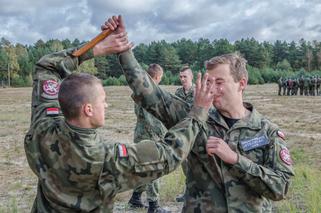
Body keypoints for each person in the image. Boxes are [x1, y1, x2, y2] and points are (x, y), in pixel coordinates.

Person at [24, 19, 216, 212]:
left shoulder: (43, 127)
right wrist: (198, 112)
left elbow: (47, 67)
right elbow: (169, 154)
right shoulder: (105, 159)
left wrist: (97, 48)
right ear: (88, 109)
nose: (106, 105)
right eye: (103, 100)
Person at [106, 15, 295, 212]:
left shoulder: (267, 132)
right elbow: (150, 94)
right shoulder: (196, 119)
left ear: (242, 84)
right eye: (209, 81)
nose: (211, 88)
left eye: (219, 82)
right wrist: (124, 50)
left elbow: (281, 187)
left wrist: (236, 160)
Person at [128, 64, 169, 213]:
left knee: (143, 169)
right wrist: (165, 134)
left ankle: (135, 198)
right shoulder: (149, 93)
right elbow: (153, 120)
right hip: (150, 136)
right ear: (158, 76)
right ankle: (154, 206)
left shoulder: (139, 89)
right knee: (154, 169)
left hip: (140, 135)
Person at [174, 65, 195, 202]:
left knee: (198, 165)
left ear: (191, 77)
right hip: (182, 134)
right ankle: (188, 192)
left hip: (196, 133)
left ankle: (198, 194)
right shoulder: (178, 93)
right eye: (180, 77)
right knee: (184, 164)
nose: (182, 79)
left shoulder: (198, 91)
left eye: (185, 76)